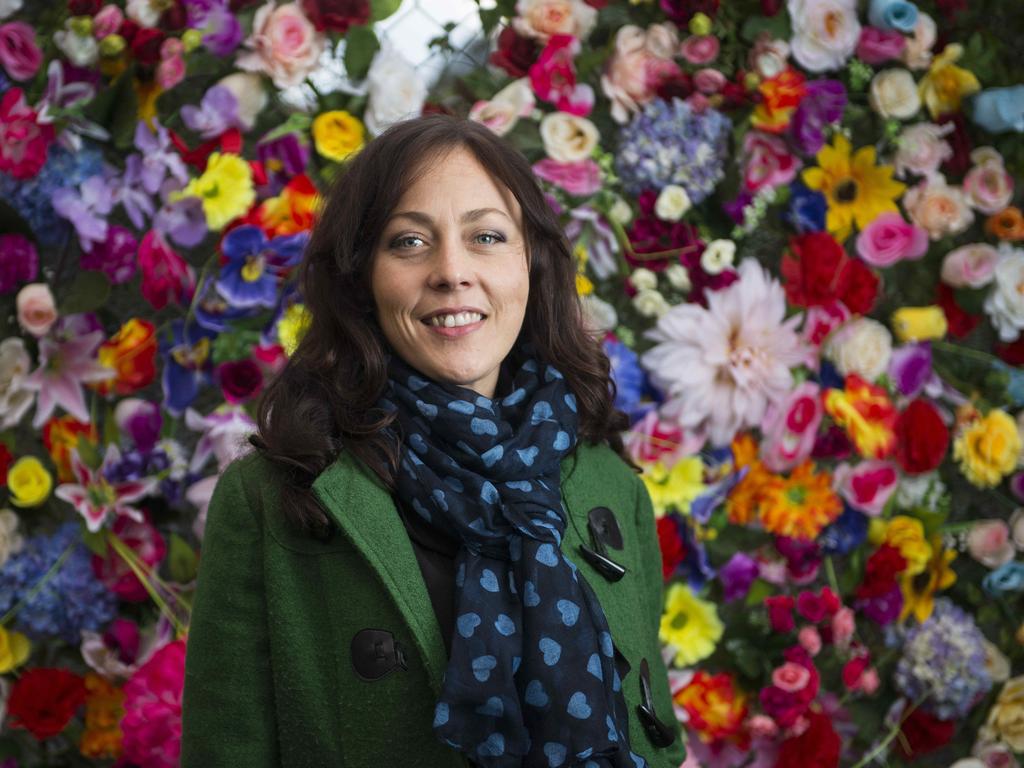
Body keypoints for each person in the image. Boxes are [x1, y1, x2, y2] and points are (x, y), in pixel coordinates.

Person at [181, 114, 685, 768]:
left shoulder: (610, 486)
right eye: (410, 242)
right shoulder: (270, 499)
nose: (452, 271)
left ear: (529, 262)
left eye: (486, 236)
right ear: (361, 277)